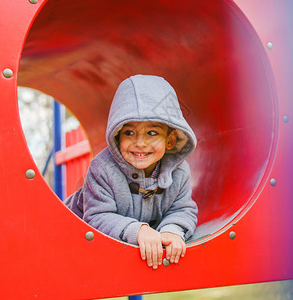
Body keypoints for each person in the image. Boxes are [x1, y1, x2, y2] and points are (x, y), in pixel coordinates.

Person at [64, 74, 198, 269]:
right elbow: (97, 217)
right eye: (129, 133)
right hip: (70, 232)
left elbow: (183, 209)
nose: (140, 143)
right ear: (117, 136)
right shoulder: (103, 168)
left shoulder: (179, 172)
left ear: (170, 140)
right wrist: (138, 230)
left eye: (152, 133)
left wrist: (172, 230)